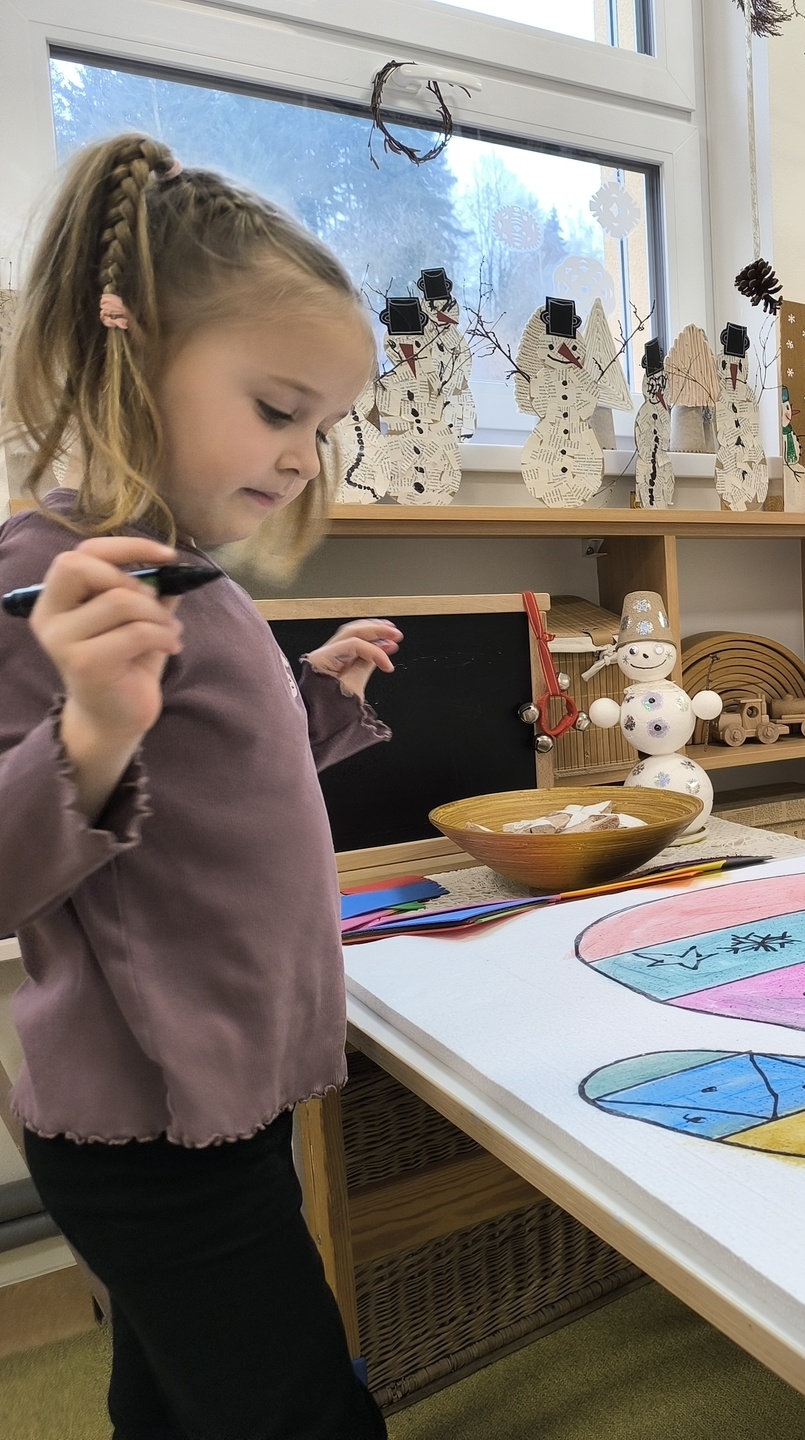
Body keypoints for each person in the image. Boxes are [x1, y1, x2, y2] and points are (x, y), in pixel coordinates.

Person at [0, 133, 397, 1438]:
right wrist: (89, 732)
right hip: (154, 1124)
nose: (302, 456)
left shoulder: (187, 571)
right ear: (134, 350)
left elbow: (214, 780)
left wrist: (314, 692)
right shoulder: (54, 574)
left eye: (321, 428)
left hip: (220, 1099)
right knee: (294, 1407)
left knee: (177, 1397)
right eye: (278, 409)